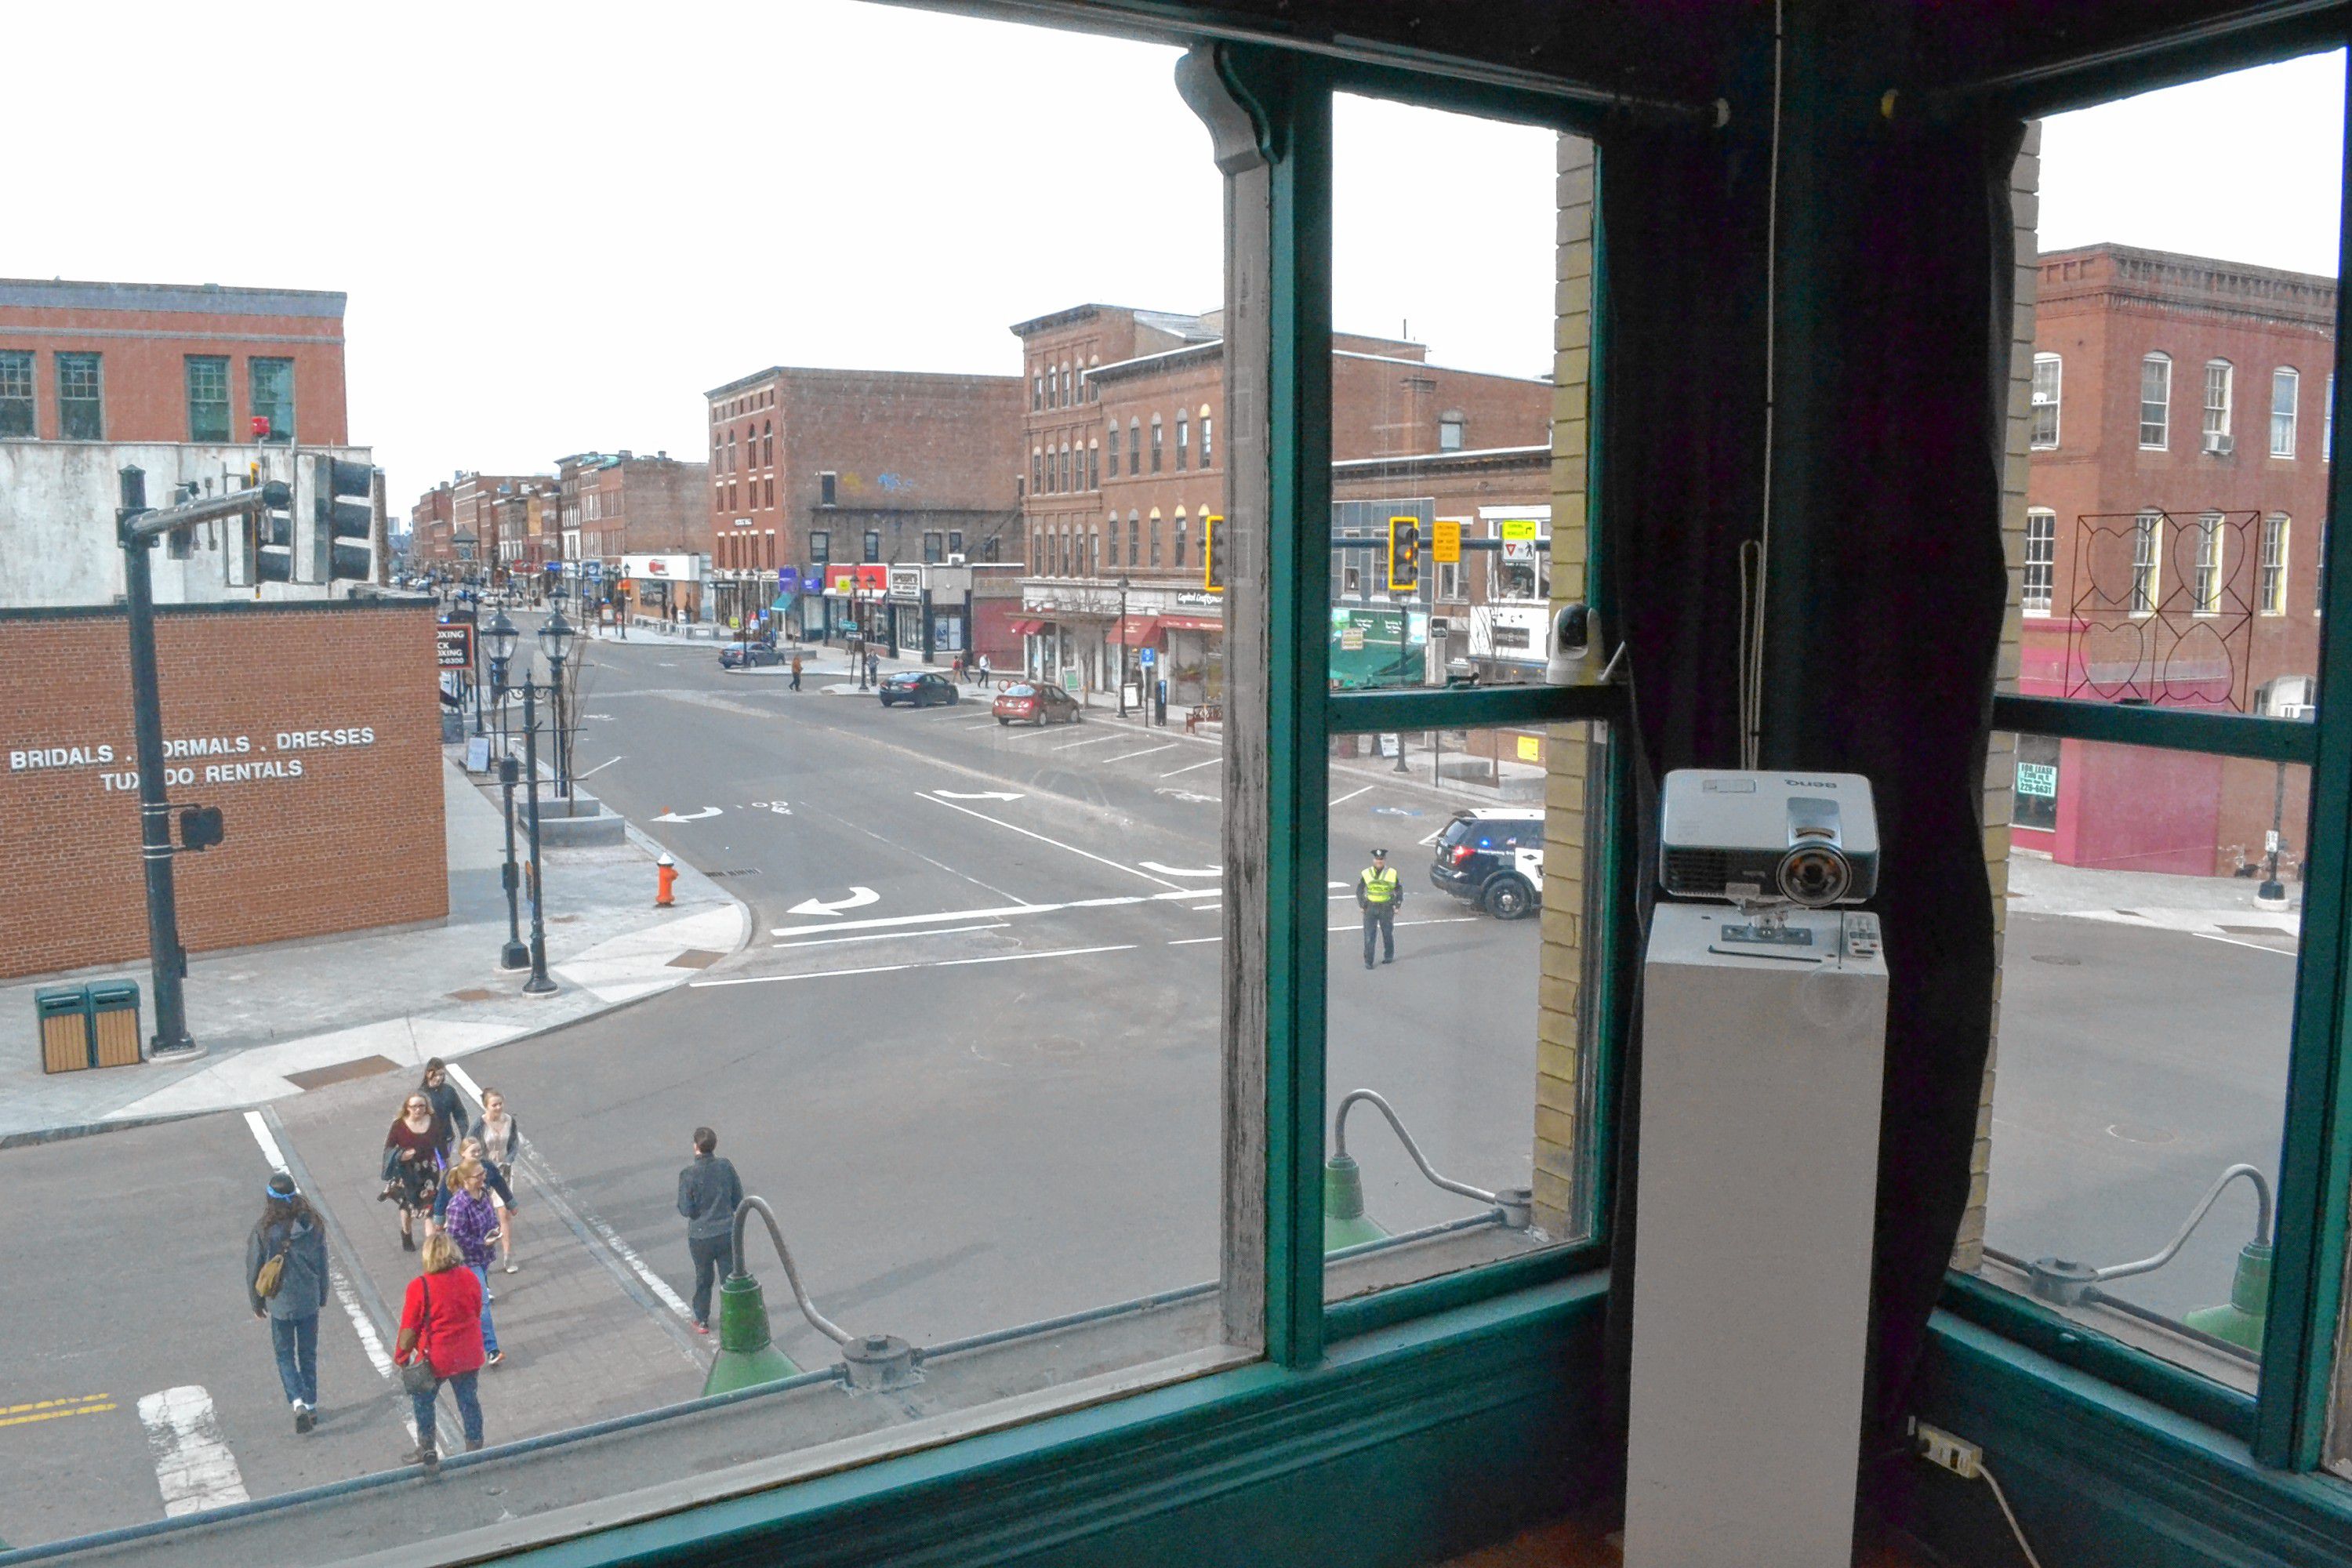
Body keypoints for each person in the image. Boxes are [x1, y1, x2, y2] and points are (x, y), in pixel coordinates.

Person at [246, 1172, 330, 1434]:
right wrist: (322, 1293)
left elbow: (254, 1268)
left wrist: (256, 1301)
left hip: (280, 1302)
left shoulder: (263, 1229)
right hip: (308, 1299)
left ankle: (297, 1402)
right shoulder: (313, 1224)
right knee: (308, 1353)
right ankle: (312, 1403)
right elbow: (322, 1262)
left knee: (284, 1354)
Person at [395, 1233, 486, 1465]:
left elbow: (409, 1327)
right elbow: (477, 1310)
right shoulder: (469, 1277)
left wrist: (402, 1357)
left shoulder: (420, 1286)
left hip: (436, 1357)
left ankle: (426, 1447)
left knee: (423, 1398)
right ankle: (475, 1446)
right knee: (468, 1400)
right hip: (468, 1354)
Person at [676, 1126, 743, 1334]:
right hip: (726, 1231)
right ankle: (733, 1320)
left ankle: (702, 1319)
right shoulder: (725, 1166)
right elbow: (738, 1198)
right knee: (729, 1278)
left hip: (701, 1235)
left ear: (696, 1147)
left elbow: (686, 1209)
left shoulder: (688, 1174)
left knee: (704, 1278)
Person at [441, 1161, 506, 1368]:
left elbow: (491, 1218)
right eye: (478, 1175)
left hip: (483, 1257)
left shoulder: (484, 1194)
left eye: (482, 1174)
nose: (482, 1178)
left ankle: (460, 1340)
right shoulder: (458, 1205)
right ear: (465, 1180)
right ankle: (492, 1349)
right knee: (483, 1303)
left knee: (468, 1307)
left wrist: (494, 1230)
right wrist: (481, 1242)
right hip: (467, 1262)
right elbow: (454, 1238)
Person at [382, 1093, 444, 1249]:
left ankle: (431, 1246)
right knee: (408, 1204)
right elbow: (389, 1148)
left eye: (421, 1106)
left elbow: (440, 1143)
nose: (418, 1109)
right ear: (407, 1108)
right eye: (414, 1106)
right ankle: (406, 1232)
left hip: (429, 1170)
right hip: (408, 1172)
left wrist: (447, 1163)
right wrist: (402, 1155)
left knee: (430, 1205)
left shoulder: (433, 1121)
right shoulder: (399, 1125)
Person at [475, 1091, 523, 1272]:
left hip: (503, 1172)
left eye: (500, 1104)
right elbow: (470, 1143)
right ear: (486, 1106)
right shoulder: (479, 1124)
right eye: (494, 1105)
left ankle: (508, 1256)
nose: (498, 1107)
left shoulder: (510, 1121)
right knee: (484, 1216)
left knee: (505, 1214)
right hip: (485, 1174)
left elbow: (514, 1143)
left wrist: (509, 1160)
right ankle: (482, 1258)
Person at [1357, 847, 1403, 970]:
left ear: (1385, 860)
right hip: (1370, 907)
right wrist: (1362, 904)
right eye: (1377, 859)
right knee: (1369, 936)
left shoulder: (1391, 873)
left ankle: (1388, 956)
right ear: (1373, 860)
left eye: (1381, 860)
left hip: (1386, 908)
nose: (1379, 862)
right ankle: (1368, 961)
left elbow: (1398, 888)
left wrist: (1397, 904)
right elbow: (1360, 889)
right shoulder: (1366, 873)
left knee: (1387, 933)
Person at [419, 1059, 470, 1161]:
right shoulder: (421, 1095)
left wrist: (465, 1136)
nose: (439, 1078)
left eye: (442, 1075)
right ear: (428, 1073)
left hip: (447, 1138)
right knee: (441, 1167)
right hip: (429, 1142)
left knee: (444, 1165)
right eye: (436, 1074)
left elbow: (460, 1114)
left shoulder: (448, 1091)